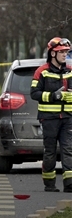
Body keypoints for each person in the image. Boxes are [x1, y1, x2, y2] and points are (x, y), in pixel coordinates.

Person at [30, 37, 72, 192]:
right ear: (52, 53)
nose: (65, 55)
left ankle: (69, 184)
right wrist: (54, 96)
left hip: (67, 117)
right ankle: (49, 184)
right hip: (48, 118)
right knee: (50, 151)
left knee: (68, 150)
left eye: (66, 52)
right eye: (62, 52)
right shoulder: (42, 72)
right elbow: (34, 93)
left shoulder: (70, 71)